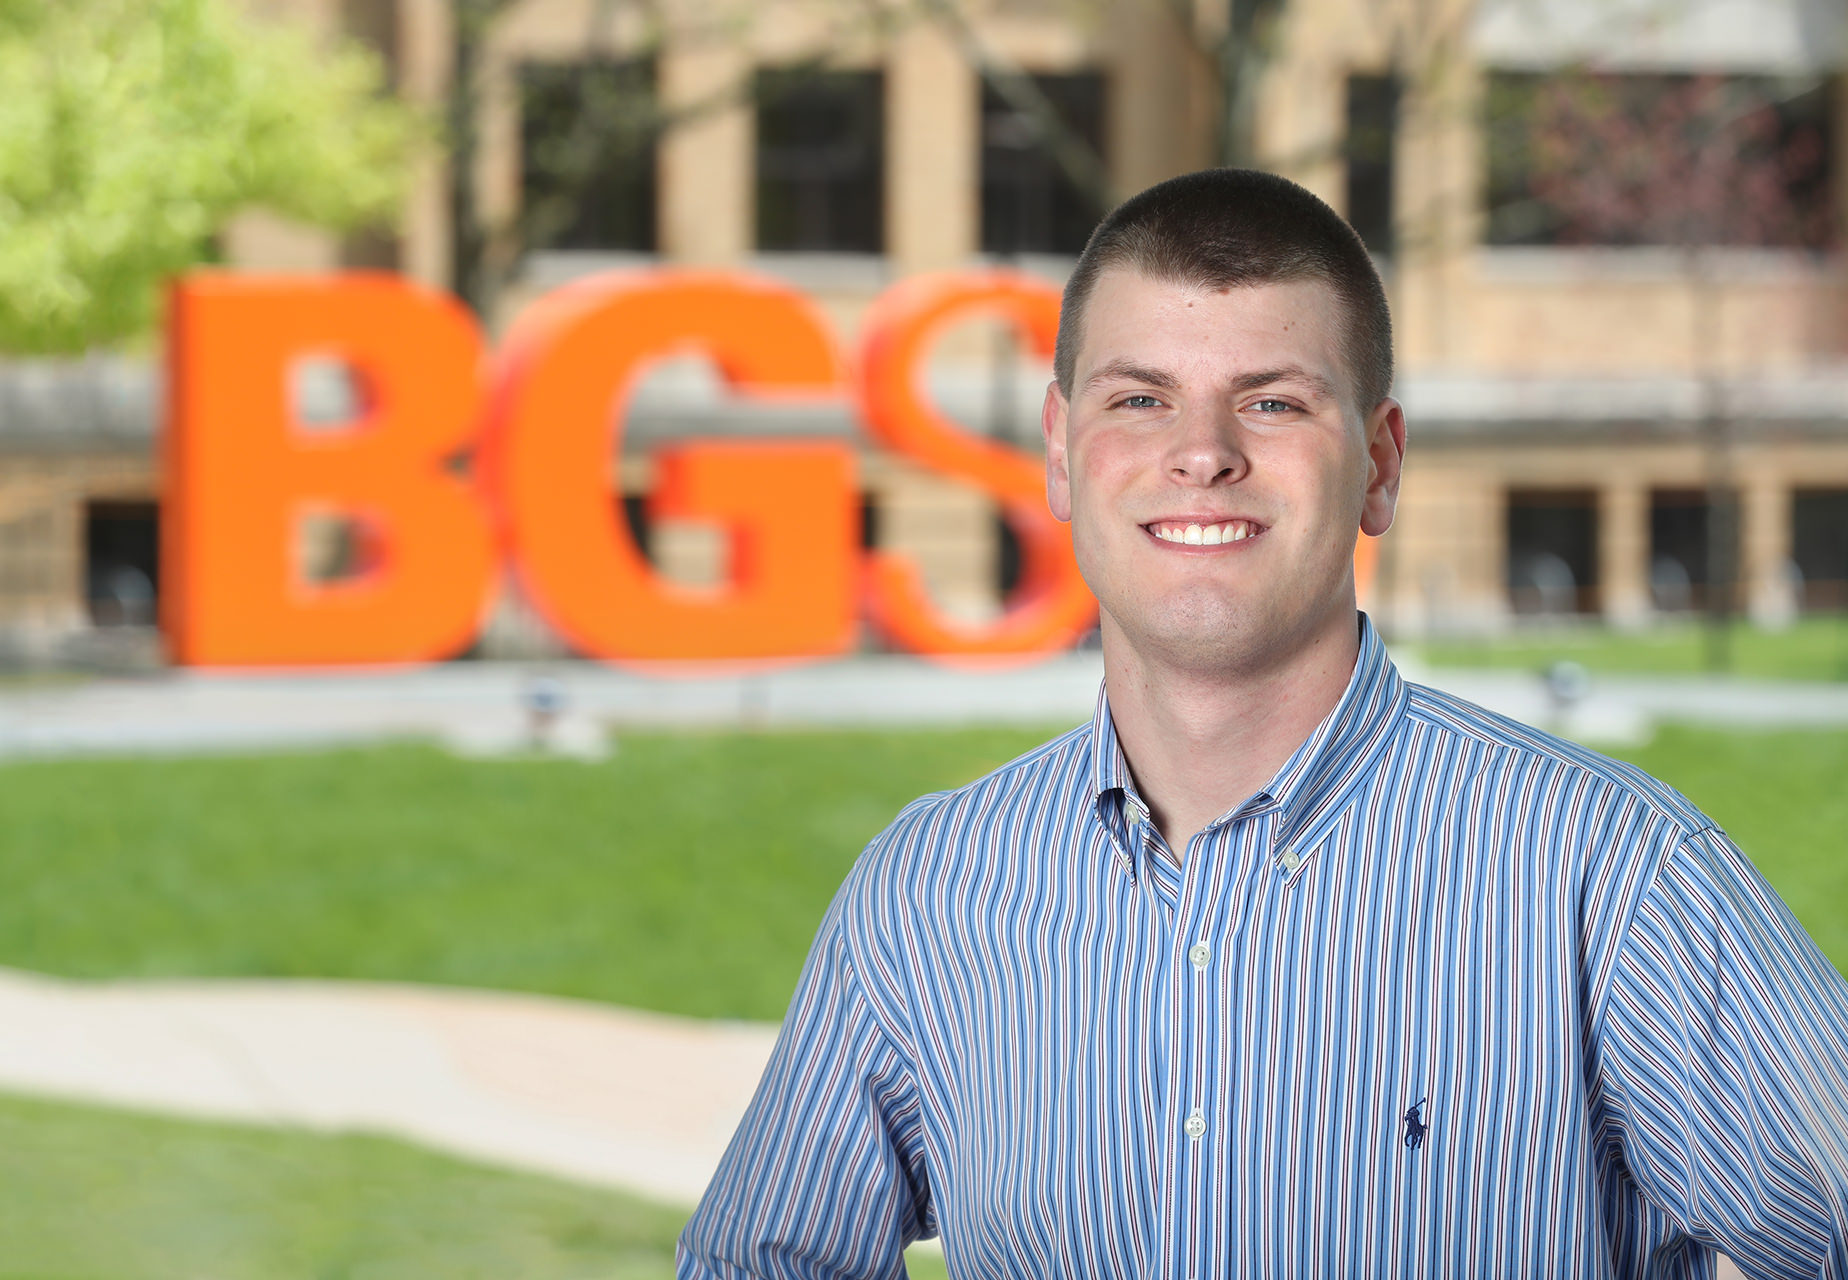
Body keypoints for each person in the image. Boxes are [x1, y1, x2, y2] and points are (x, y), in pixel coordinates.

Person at [676, 169, 1848, 1278]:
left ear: (1379, 463)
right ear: (1060, 454)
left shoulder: (1612, 878)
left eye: (1273, 401)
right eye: (1140, 399)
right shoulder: (929, 893)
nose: (1202, 454)